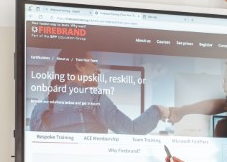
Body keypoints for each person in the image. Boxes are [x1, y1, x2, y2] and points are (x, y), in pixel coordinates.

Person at [28, 51, 167, 134]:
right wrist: (159, 111)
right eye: (94, 63)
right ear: (79, 66)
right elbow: (132, 131)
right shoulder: (95, 99)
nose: (98, 70)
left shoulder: (38, 110)